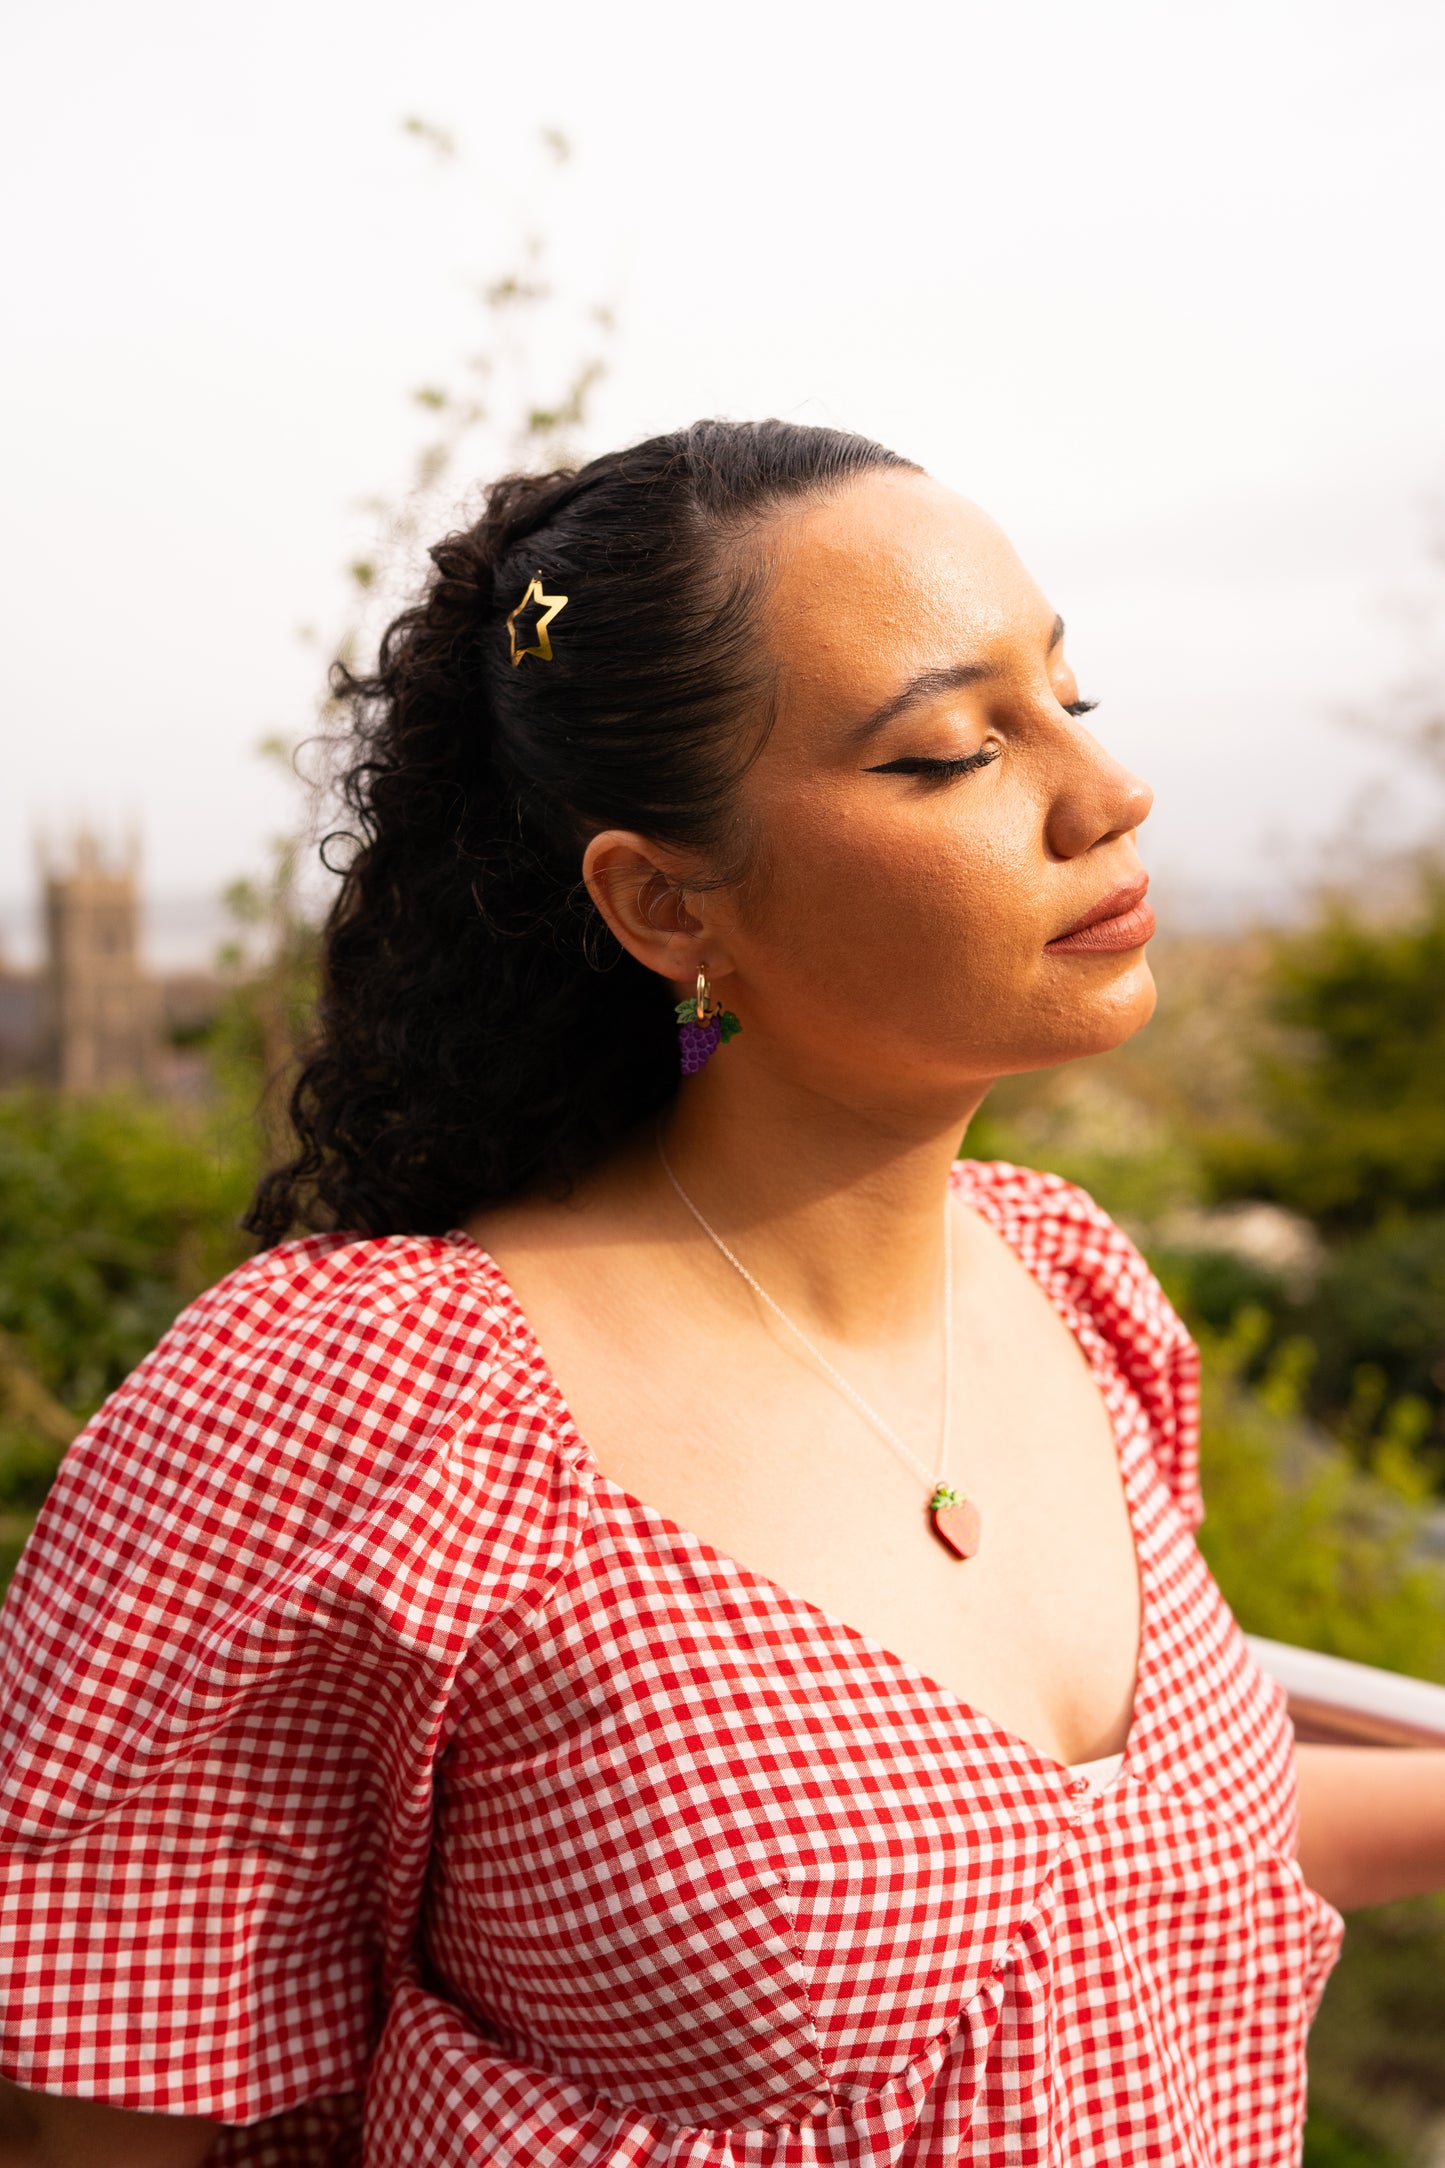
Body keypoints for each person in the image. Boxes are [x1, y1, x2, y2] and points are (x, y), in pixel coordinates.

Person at [1, 421, 1442, 2168]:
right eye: (949, 751)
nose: (1107, 790)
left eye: (1071, 695)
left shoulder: (1073, 1287)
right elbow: (98, 2117)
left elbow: (1102, 1879)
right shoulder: (374, 1395)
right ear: (666, 904)